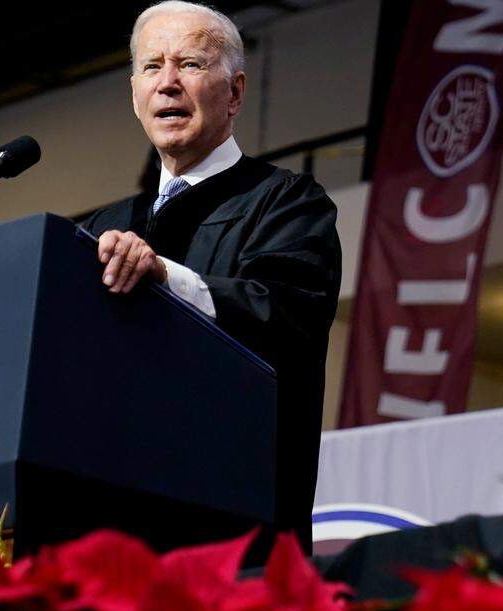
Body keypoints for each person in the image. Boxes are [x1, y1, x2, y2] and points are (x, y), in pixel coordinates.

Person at [82, 0, 341, 552]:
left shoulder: (286, 203)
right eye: (152, 67)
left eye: (191, 65)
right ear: (134, 94)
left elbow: (285, 314)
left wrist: (163, 276)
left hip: (234, 526)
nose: (168, 83)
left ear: (236, 93)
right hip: (113, 528)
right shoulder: (104, 227)